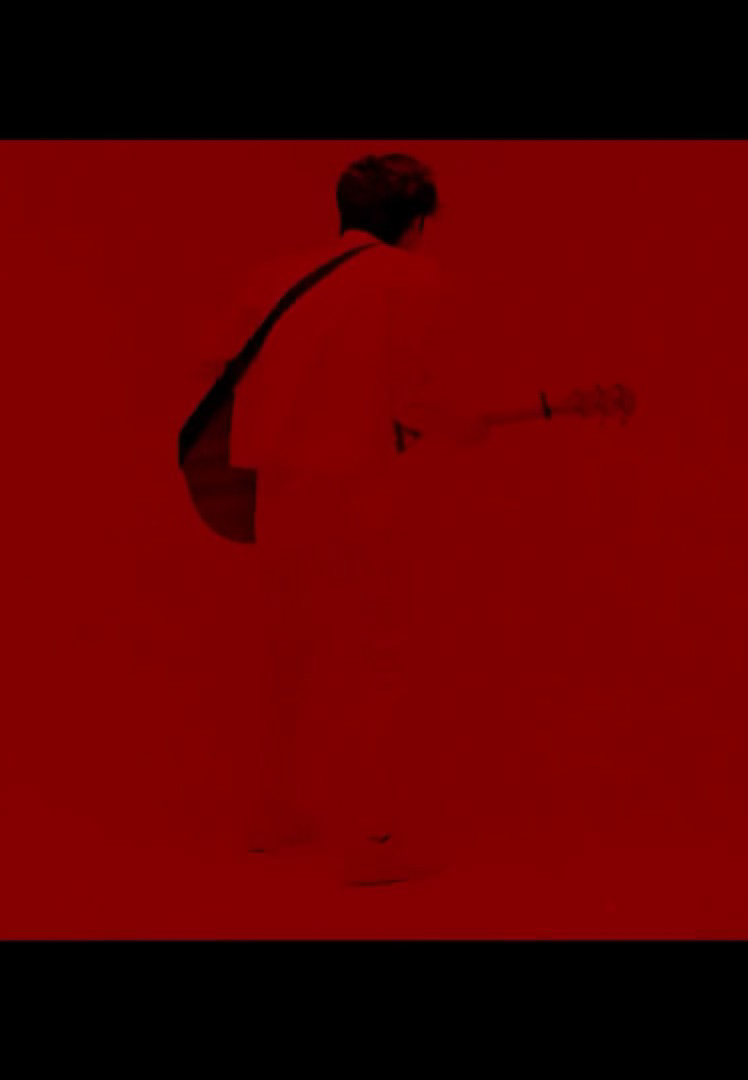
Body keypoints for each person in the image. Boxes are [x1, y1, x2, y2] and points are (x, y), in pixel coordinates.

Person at [196, 154, 487, 886]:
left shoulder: (272, 276)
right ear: (415, 222)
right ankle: (372, 840)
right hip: (361, 489)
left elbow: (217, 364)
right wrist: (460, 426)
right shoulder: (414, 279)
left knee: (287, 651)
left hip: (277, 491)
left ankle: (273, 818)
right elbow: (419, 398)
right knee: (378, 655)